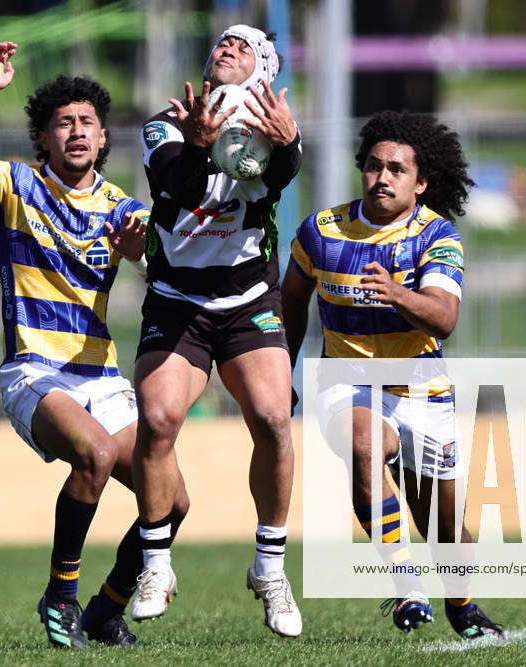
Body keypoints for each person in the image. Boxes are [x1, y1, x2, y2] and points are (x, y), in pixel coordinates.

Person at [0, 42, 189, 649]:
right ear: (44, 137)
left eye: (88, 121)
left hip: (102, 378)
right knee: (91, 455)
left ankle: (106, 608)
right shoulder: (14, 183)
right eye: (63, 122)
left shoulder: (121, 208)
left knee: (171, 502)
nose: (78, 131)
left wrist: (141, 245)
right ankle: (61, 593)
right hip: (35, 374)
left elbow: (152, 263)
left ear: (103, 136)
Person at [281, 110, 504, 640]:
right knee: (365, 444)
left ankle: (463, 604)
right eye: (374, 166)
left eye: (397, 170)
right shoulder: (321, 232)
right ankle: (406, 585)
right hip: (347, 382)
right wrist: (279, 375)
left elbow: (444, 319)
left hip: (423, 389)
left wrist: (397, 293)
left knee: (444, 525)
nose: (383, 177)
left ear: (421, 182)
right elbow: (289, 305)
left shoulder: (436, 236)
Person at [131, 24, 302, 637]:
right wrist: (201, 144)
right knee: (157, 421)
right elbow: (182, 186)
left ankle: (270, 567)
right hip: (178, 300)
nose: (227, 49)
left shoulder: (274, 122)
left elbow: (278, 176)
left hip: (248, 296)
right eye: (222, 43)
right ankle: (156, 566)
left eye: (244, 47)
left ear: (263, 69)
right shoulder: (168, 121)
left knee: (274, 417)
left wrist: (290, 148)